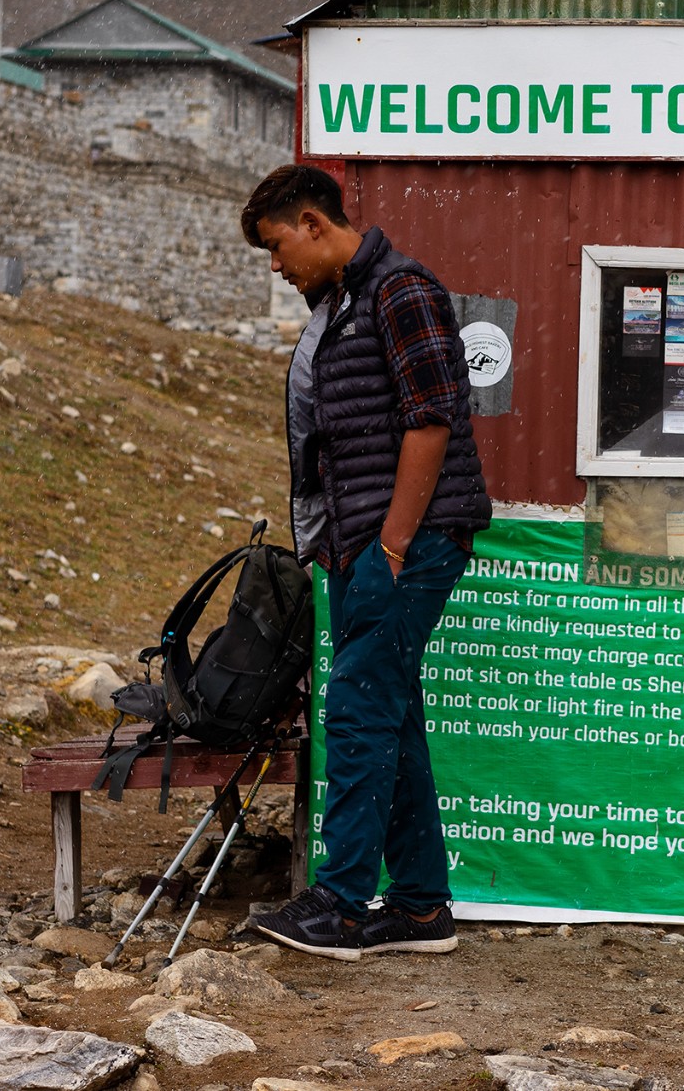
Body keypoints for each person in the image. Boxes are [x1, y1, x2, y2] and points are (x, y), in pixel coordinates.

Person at [239, 164, 491, 961]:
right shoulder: (341, 306)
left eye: (278, 247)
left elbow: (431, 421)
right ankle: (419, 907)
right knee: (391, 711)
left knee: (353, 704)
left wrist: (389, 546)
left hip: (408, 544)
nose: (277, 267)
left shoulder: (400, 290)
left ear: (314, 222)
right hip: (361, 546)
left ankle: (340, 904)